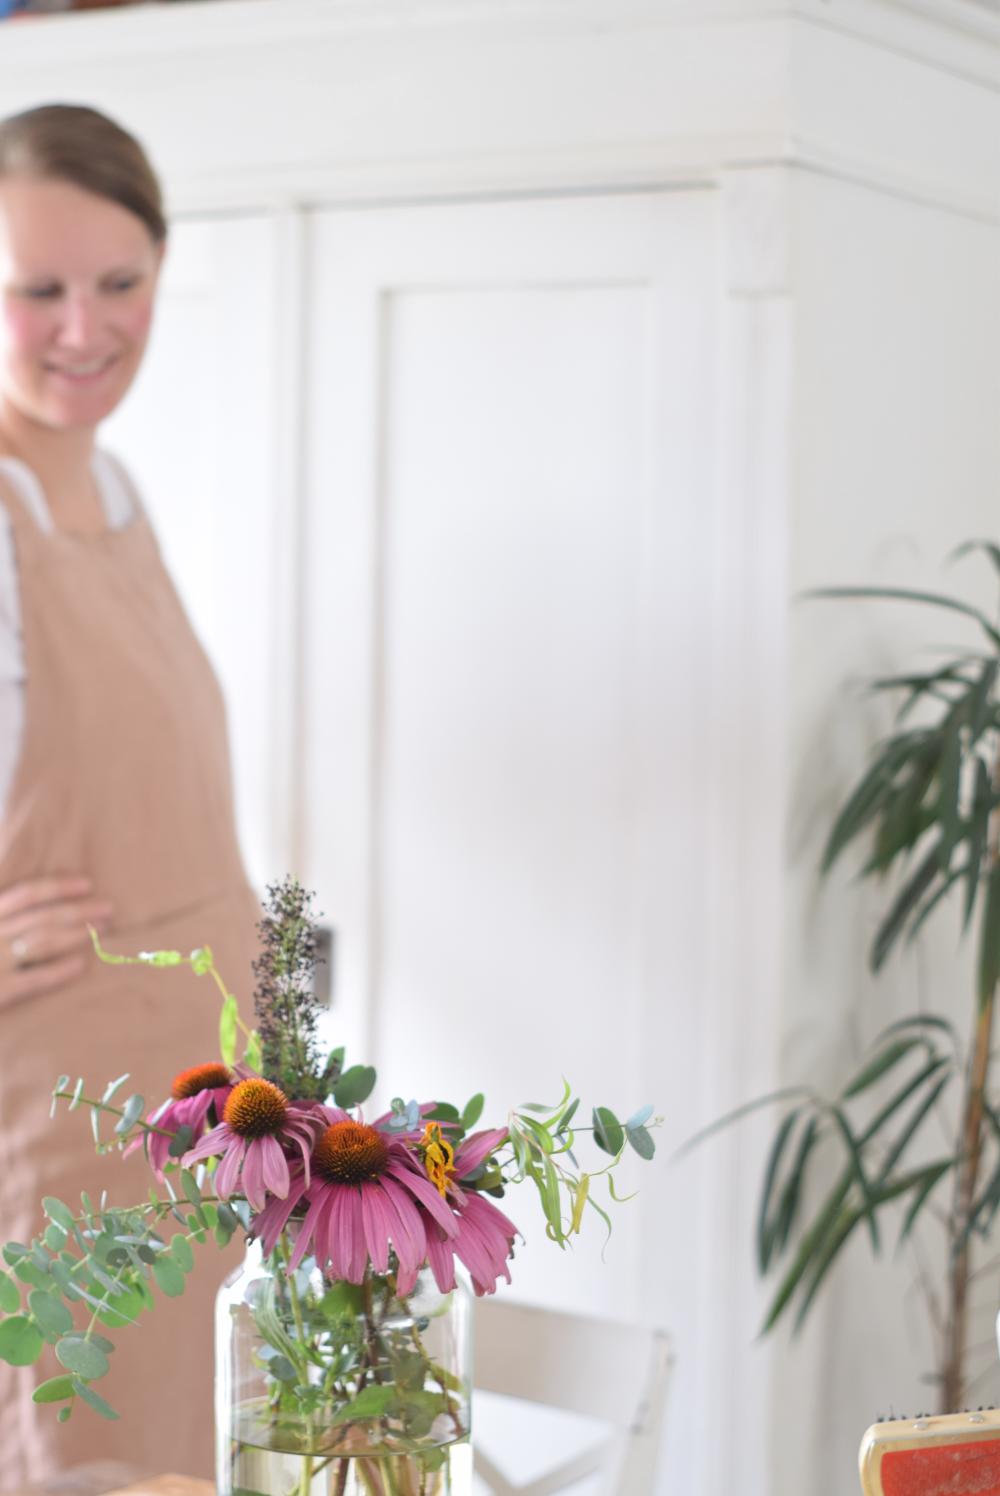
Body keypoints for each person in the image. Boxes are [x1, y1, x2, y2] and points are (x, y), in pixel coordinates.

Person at [0, 104, 260, 1487]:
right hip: (69, 1164)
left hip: (204, 1139)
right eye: (35, 290)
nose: (83, 329)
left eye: (120, 283)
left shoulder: (113, 487)